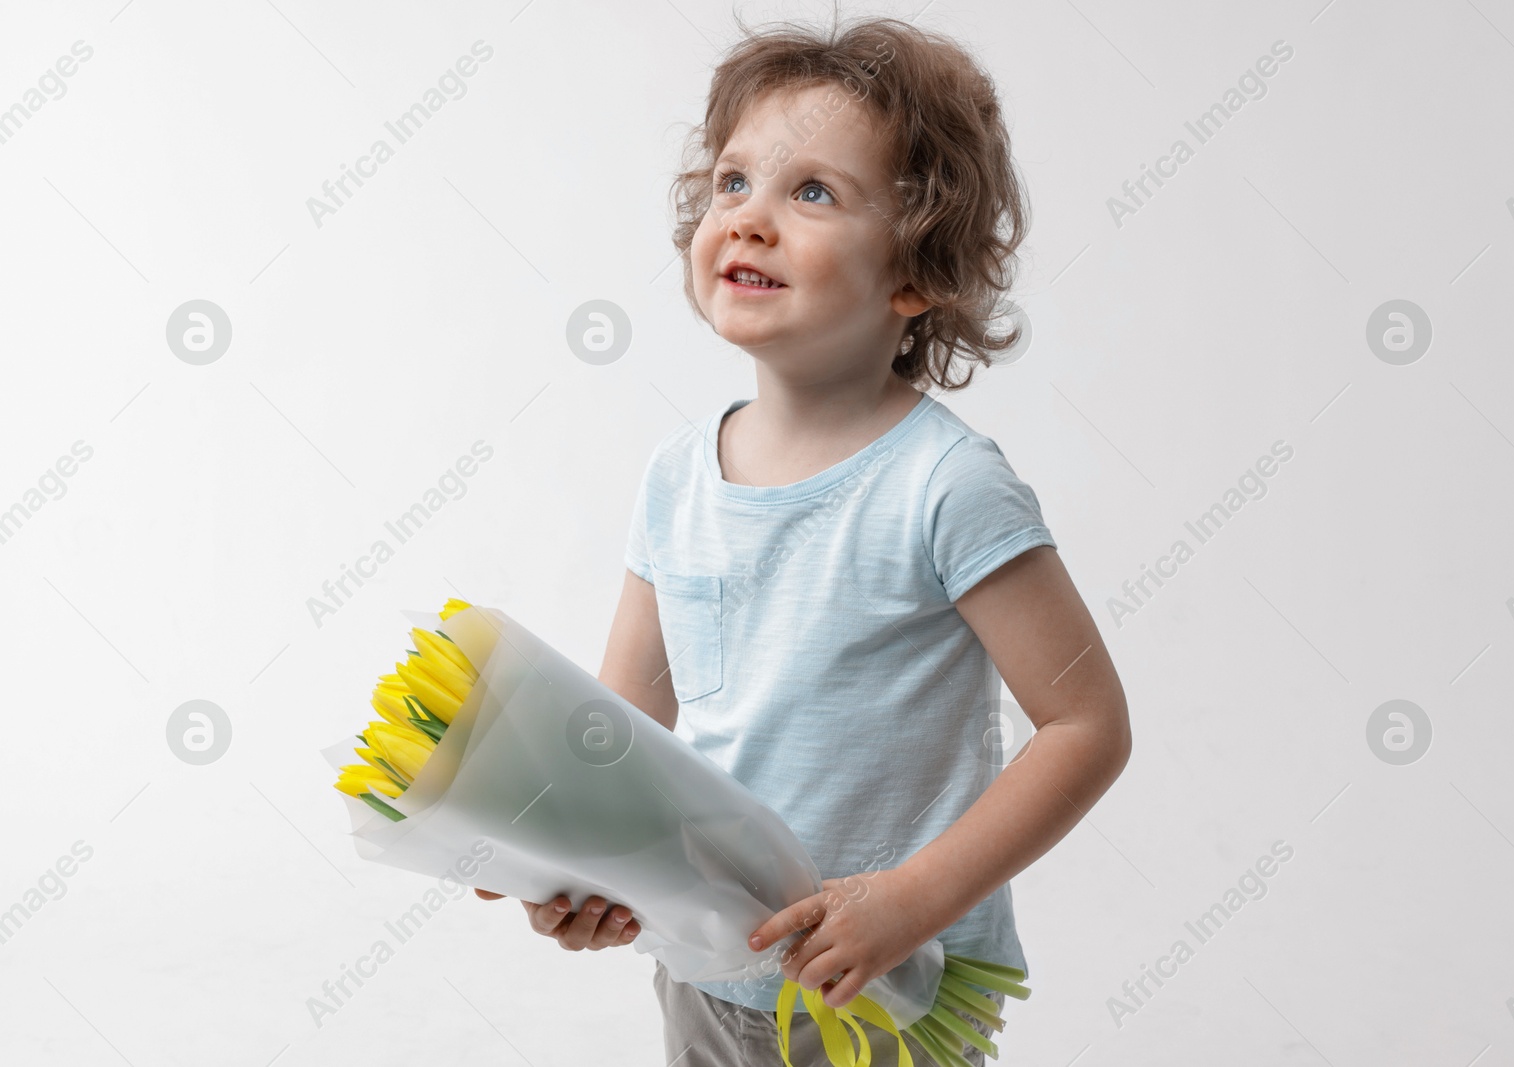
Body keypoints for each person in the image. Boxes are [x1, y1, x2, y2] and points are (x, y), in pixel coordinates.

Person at [478, 12, 1132, 1065]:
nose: (748, 219)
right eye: (732, 183)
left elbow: (1086, 726)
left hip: (888, 988)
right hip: (705, 969)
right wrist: (578, 870)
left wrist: (907, 901)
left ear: (914, 272)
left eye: (812, 192)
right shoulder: (675, 478)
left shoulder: (944, 485)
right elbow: (618, 739)